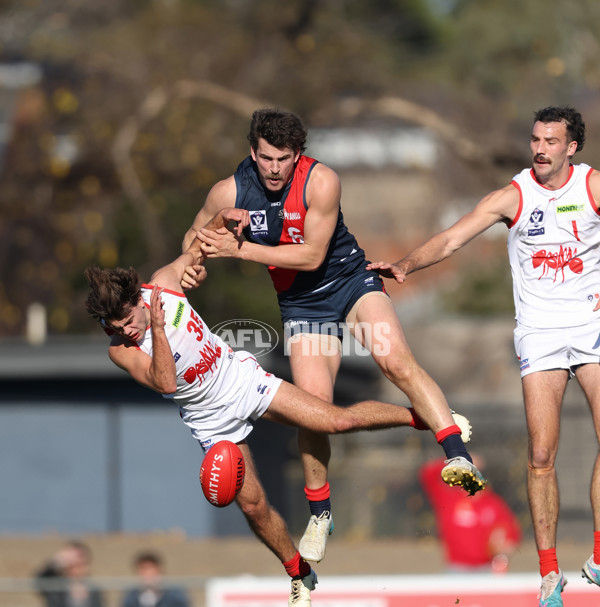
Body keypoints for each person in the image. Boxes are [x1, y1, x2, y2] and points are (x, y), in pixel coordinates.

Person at [84, 239, 470, 607]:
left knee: (335, 420)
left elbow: (199, 247)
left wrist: (223, 225)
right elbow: (166, 383)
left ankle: (426, 418)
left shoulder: (166, 283)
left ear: (138, 299)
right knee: (252, 506)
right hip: (209, 421)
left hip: (241, 380)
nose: (122, 331)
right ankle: (298, 573)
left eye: (126, 321)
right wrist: (155, 329)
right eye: (110, 326)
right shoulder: (121, 349)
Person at [181, 108, 484, 566]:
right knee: (315, 410)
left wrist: (238, 248)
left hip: (349, 283)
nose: (275, 168)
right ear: (252, 152)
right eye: (266, 158)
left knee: (395, 361)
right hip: (302, 307)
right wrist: (203, 245)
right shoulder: (229, 189)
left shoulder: (322, 182)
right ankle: (320, 513)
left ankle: (457, 456)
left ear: (298, 155)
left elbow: (310, 255)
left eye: (284, 158)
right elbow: (192, 239)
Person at [368, 105, 600, 607]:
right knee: (542, 453)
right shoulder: (513, 196)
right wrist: (406, 263)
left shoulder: (591, 189)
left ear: (572, 147)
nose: (539, 148)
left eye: (551, 141)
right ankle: (548, 575)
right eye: (535, 138)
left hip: (592, 329)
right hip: (539, 335)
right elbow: (452, 237)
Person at [420, 456, 521, 573]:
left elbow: (512, 534)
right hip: (456, 569)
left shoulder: (493, 504)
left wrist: (505, 548)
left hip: (486, 570)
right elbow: (427, 473)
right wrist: (457, 460)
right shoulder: (448, 499)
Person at [34, 541, 107, 607]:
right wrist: (57, 560)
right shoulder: (56, 586)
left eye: (80, 564)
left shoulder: (94, 590)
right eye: (72, 565)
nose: (76, 569)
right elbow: (39, 582)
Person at [119, 551, 191, 607]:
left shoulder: (175, 595)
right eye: (143, 569)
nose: (147, 574)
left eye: (150, 569)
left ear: (159, 570)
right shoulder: (130, 597)